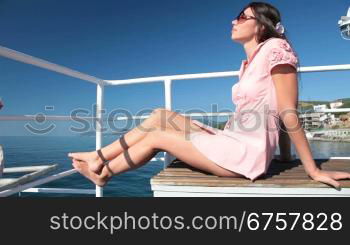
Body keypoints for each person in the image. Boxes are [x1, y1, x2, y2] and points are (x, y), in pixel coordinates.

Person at [68, 2, 350, 188]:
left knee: (157, 136)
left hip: (244, 155)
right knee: (159, 116)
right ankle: (97, 157)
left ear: (261, 26)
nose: (234, 20)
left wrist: (312, 170)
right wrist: (285, 157)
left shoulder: (276, 49)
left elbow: (288, 111)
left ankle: (103, 171)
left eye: (242, 17)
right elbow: (275, 110)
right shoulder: (248, 64)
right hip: (231, 139)